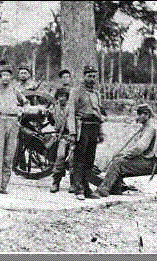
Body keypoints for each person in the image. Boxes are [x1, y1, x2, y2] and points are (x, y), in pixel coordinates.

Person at [93, 104, 157, 197]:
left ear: (146, 114)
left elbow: (140, 148)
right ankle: (116, 187)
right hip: (147, 161)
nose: (137, 118)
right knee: (118, 158)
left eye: (139, 115)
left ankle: (103, 190)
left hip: (149, 163)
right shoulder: (146, 128)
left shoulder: (149, 129)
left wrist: (126, 154)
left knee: (118, 163)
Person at [0, 64, 30, 197]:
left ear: (11, 77)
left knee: (9, 156)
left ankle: (3, 186)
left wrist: (22, 110)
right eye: (3, 75)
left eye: (8, 75)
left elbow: (25, 102)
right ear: (0, 77)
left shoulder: (15, 91)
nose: (6, 78)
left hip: (13, 123)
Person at [67, 65, 105, 200]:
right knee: (79, 159)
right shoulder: (76, 92)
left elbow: (99, 114)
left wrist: (101, 132)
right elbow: (70, 113)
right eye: (89, 76)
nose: (92, 79)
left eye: (94, 76)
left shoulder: (96, 93)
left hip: (93, 127)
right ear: (84, 76)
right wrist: (72, 132)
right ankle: (78, 189)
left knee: (90, 159)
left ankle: (87, 188)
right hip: (81, 127)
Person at [48, 69, 75, 193]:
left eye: (64, 96)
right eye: (60, 97)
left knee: (73, 160)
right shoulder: (55, 109)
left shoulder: (72, 108)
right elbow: (52, 120)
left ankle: (73, 184)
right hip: (62, 136)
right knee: (59, 157)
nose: (62, 99)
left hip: (73, 136)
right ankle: (55, 182)